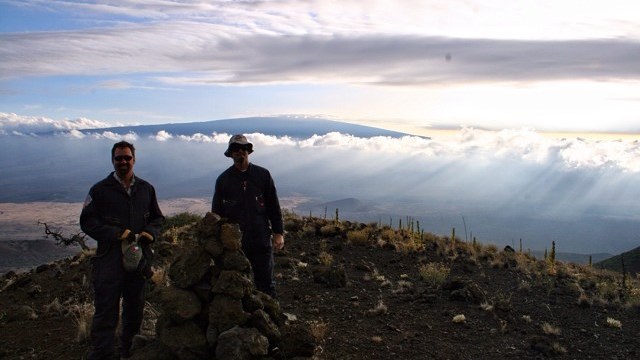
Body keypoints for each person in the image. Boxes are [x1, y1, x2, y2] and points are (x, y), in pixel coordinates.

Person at [80, 141, 164, 359]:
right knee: (106, 310)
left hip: (138, 260)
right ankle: (103, 354)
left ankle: (129, 352)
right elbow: (87, 222)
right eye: (119, 158)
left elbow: (158, 218)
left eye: (127, 158)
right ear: (113, 161)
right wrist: (116, 234)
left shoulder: (146, 189)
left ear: (134, 160)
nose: (123, 162)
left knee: (134, 309)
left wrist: (150, 232)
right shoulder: (99, 190)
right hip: (109, 259)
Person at [212, 134, 284, 297]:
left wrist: (278, 232)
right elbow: (216, 213)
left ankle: (269, 319)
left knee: (266, 284)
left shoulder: (263, 175)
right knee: (237, 285)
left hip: (261, 238)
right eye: (235, 149)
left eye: (243, 148)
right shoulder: (223, 180)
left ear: (248, 151)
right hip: (236, 243)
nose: (240, 152)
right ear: (230, 153)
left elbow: (274, 205)